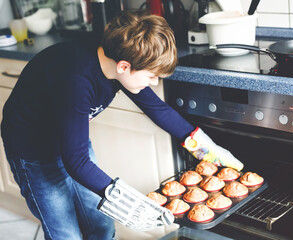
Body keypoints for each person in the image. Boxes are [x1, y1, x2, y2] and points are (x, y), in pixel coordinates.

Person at [0, 12, 243, 239]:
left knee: (100, 222)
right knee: (65, 230)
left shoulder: (120, 58)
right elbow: (76, 163)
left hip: (72, 138)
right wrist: (125, 199)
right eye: (151, 77)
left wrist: (208, 149)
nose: (154, 83)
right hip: (33, 148)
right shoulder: (77, 80)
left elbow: (157, 109)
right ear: (124, 67)